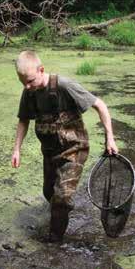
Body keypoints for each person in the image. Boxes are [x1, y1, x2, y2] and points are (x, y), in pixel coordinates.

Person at [11, 50, 119, 241]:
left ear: (41, 70)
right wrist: (17, 149)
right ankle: (63, 209)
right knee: (49, 192)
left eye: (30, 81)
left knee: (61, 198)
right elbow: (23, 120)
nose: (27, 86)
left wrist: (109, 138)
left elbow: (100, 105)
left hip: (74, 149)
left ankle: (54, 241)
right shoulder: (29, 92)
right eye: (23, 83)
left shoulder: (64, 86)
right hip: (50, 151)